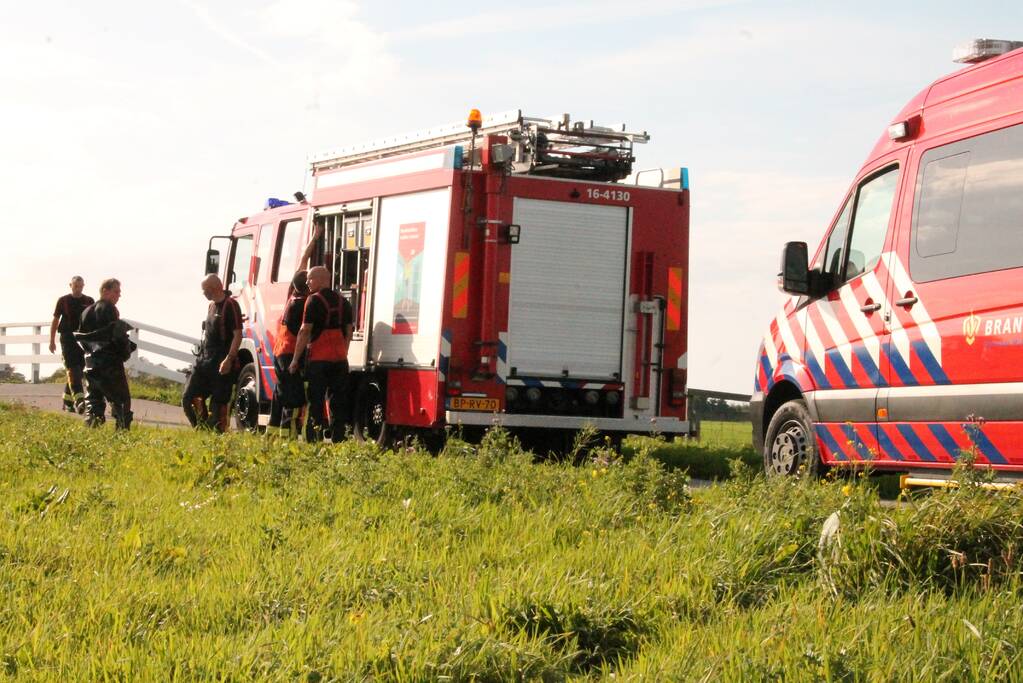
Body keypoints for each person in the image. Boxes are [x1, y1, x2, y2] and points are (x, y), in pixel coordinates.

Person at [268, 225, 323, 437]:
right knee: (296, 397)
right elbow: (305, 332)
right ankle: (289, 434)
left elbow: (302, 260)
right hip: (292, 352)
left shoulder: (292, 293)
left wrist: (313, 239)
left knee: (280, 392)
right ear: (309, 286)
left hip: (279, 350)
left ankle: (273, 433)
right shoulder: (309, 303)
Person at [289, 266, 354, 441]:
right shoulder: (344, 302)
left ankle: (314, 439)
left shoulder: (313, 301)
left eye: (310, 279)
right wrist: (344, 352)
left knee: (315, 401)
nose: (307, 282)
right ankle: (338, 439)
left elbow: (305, 331)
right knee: (338, 401)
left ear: (321, 279)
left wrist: (295, 359)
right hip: (340, 360)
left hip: (318, 360)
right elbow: (348, 331)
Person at [182, 274, 242, 432]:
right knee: (189, 398)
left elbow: (238, 335)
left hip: (222, 362)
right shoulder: (210, 306)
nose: (203, 294)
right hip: (204, 361)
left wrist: (229, 359)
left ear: (214, 288)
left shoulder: (231, 305)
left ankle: (215, 433)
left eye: (205, 290)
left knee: (218, 406)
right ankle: (200, 428)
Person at [75, 278, 134, 430]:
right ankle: (122, 433)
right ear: (105, 291)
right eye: (116, 291)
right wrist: (125, 352)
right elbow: (116, 335)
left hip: (90, 364)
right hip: (109, 363)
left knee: (94, 402)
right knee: (121, 400)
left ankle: (92, 431)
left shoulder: (85, 312)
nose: (119, 295)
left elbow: (82, 339)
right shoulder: (109, 309)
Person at [49, 276, 95, 414]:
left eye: (80, 286)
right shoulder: (63, 301)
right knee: (72, 369)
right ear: (71, 285)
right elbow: (55, 320)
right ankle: (80, 401)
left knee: (78, 371)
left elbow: (94, 320)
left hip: (83, 339)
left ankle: (67, 402)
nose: (78, 289)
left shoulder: (89, 301)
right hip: (67, 338)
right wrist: (51, 341)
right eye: (76, 286)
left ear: (83, 286)